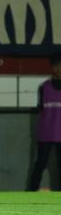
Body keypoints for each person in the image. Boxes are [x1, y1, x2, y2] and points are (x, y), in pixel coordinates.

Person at [28, 52, 61, 191]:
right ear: (53, 67)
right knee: (40, 164)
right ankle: (30, 194)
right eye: (57, 66)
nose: (60, 69)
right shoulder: (44, 87)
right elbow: (41, 108)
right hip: (46, 133)